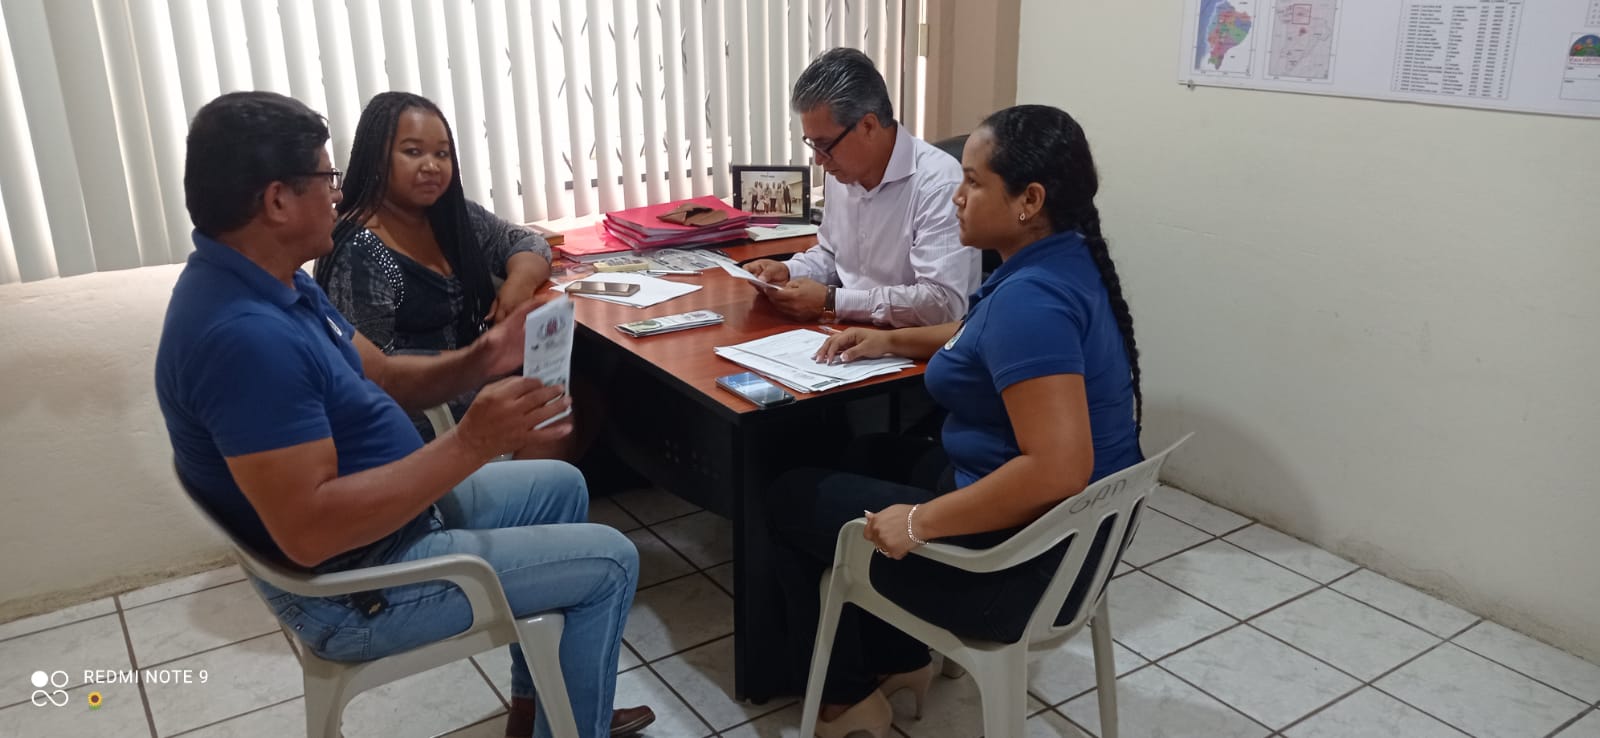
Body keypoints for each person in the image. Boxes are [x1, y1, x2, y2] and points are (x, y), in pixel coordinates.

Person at [155, 91, 654, 738]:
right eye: (325, 178)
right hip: (357, 589)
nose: (337, 194)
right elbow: (311, 533)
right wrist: (471, 443)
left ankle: (540, 710)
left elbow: (385, 375)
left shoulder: (279, 280)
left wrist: (484, 357)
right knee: (611, 560)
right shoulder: (244, 338)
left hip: (389, 526)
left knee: (560, 486)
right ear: (277, 200)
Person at [764, 104, 1144, 736]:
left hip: (1018, 574)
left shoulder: (1031, 302)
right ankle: (897, 657)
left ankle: (845, 697)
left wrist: (919, 523)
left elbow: (1058, 469)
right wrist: (888, 340)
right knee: (863, 455)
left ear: (1029, 201)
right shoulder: (1062, 259)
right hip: (1067, 539)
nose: (956, 197)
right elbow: (977, 333)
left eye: (972, 182)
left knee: (787, 497)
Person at [315, 92, 555, 448]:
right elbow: (374, 373)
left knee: (587, 378)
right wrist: (479, 364)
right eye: (413, 152)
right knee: (557, 405)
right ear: (377, 158)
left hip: (472, 374)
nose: (431, 165)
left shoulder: (450, 216)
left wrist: (519, 283)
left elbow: (527, 242)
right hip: (420, 408)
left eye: (442, 154)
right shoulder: (359, 249)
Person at [743, 47, 979, 328]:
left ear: (868, 126)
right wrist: (789, 271)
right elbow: (834, 256)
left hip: (913, 346)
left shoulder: (938, 183)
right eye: (812, 144)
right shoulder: (840, 173)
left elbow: (942, 303)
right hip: (848, 333)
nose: (819, 160)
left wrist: (832, 302)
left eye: (825, 145)